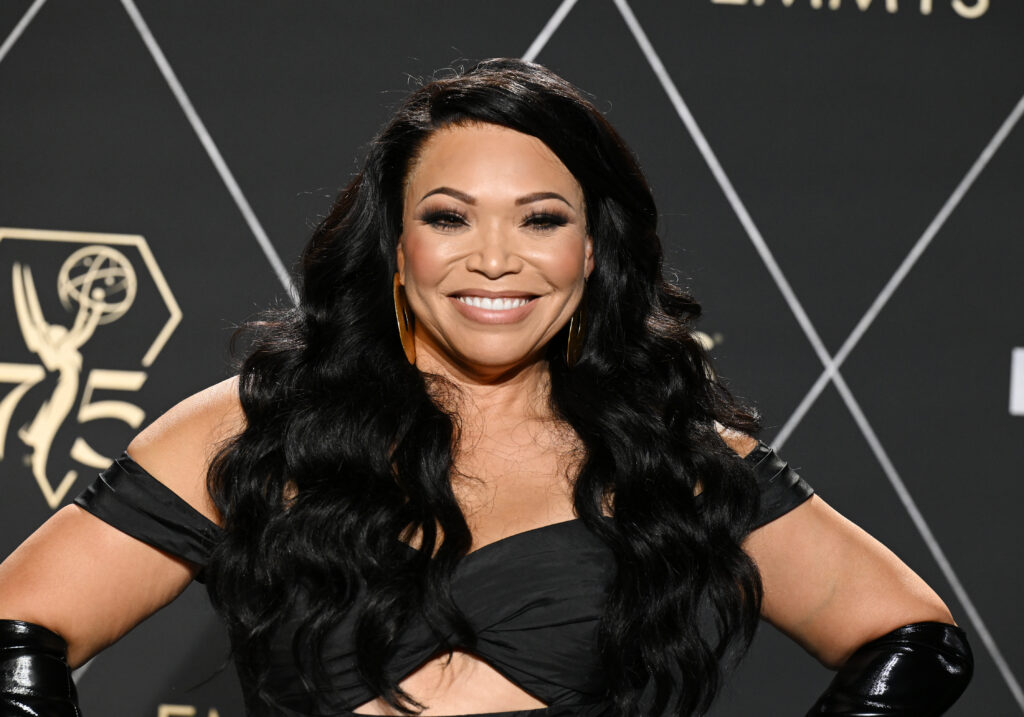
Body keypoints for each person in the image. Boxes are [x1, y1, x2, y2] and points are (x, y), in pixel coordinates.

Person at [0, 58, 971, 717]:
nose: (496, 261)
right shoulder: (252, 430)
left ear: (594, 251)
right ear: (397, 245)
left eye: (541, 218)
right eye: (450, 217)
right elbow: (19, 628)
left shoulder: (671, 457)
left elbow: (915, 640)